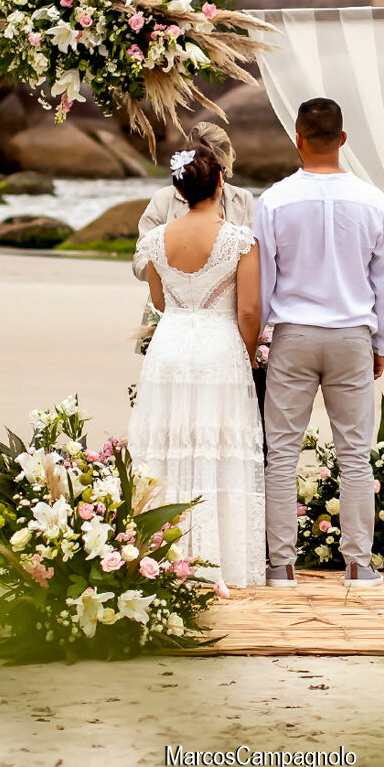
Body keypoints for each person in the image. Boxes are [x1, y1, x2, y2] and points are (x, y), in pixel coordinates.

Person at [254, 98, 384, 589]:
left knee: (281, 455)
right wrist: (382, 341)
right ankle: (358, 565)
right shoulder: (374, 201)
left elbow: (264, 281)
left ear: (297, 138)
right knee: (355, 455)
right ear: (343, 140)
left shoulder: (274, 201)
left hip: (293, 335)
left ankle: (281, 566)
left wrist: (258, 338)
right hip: (352, 336)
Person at [128, 144, 267, 592]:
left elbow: (159, 300)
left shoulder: (155, 240)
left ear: (179, 189)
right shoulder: (240, 240)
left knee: (169, 446)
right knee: (217, 449)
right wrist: (247, 354)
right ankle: (219, 560)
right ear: (221, 182)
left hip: (169, 348)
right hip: (220, 348)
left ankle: (162, 556)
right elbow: (249, 311)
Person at [131, 122, 255, 357]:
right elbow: (140, 261)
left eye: (217, 167)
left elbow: (257, 260)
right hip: (170, 317)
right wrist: (174, 271)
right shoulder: (163, 200)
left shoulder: (244, 200)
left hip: (228, 318)